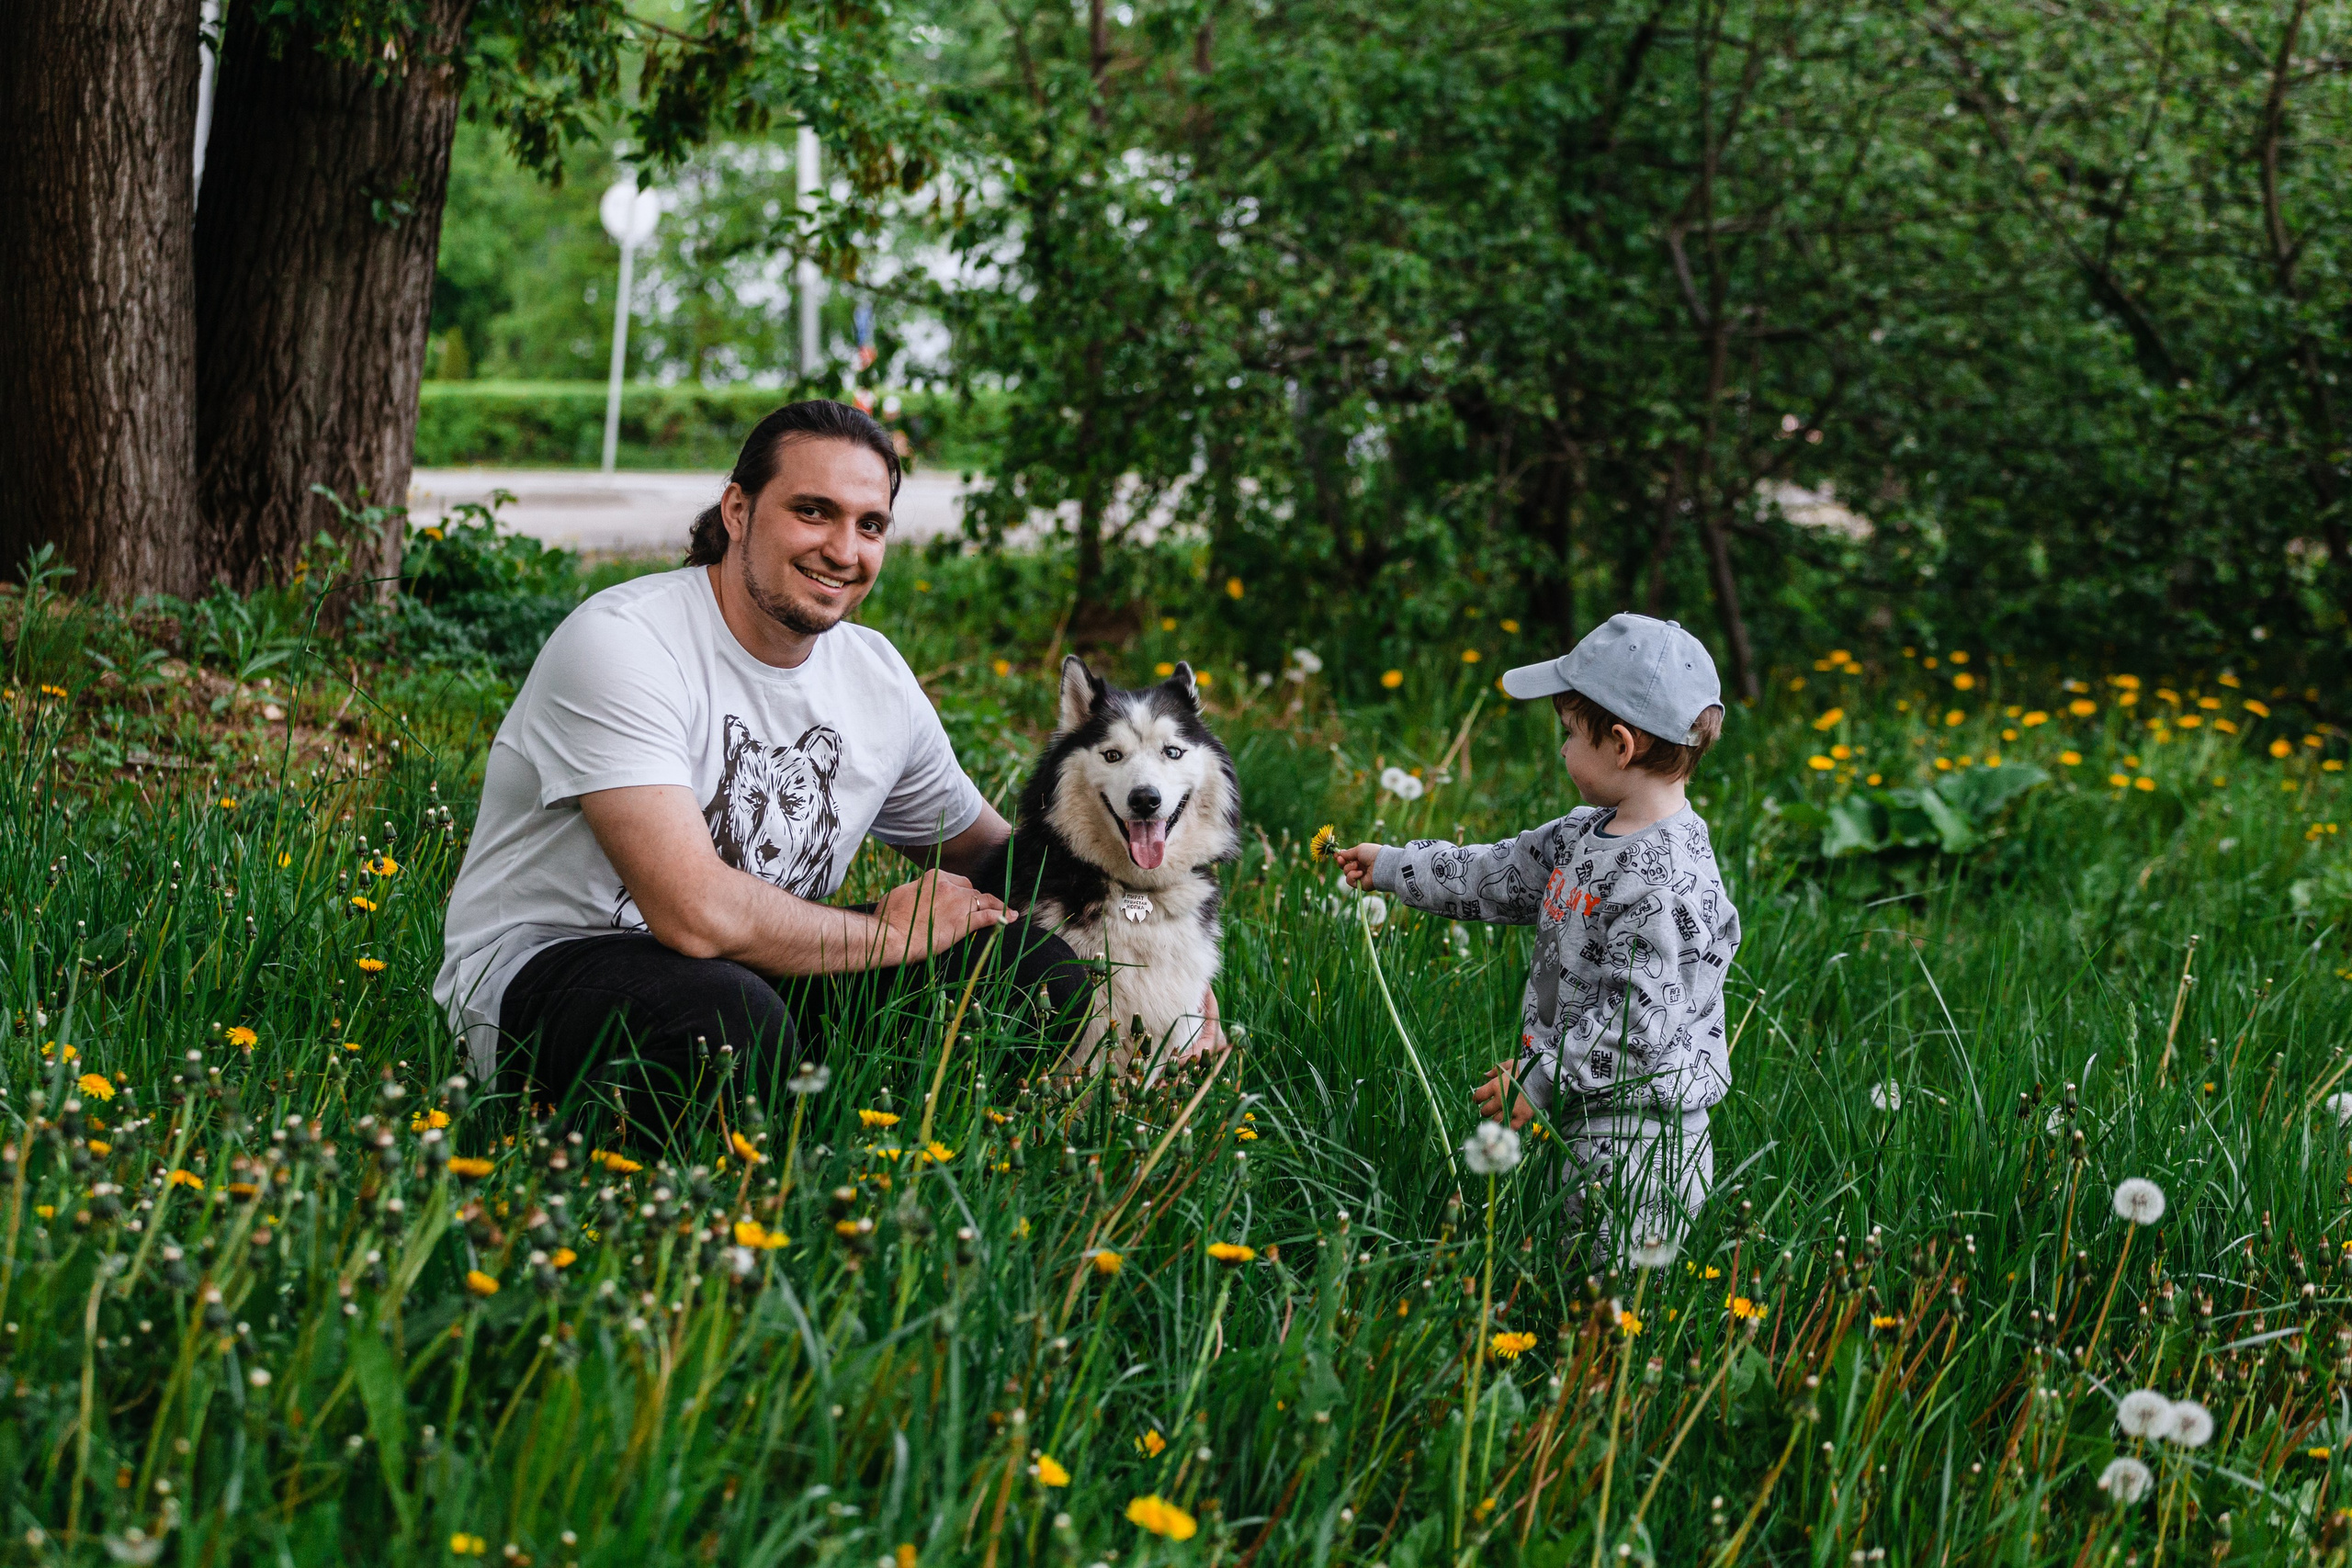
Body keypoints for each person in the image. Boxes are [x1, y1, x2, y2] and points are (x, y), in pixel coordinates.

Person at [434, 400, 1090, 1138]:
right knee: (724, 1023)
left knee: (1035, 972)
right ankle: (665, 1145)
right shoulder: (623, 644)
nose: (844, 550)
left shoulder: (874, 676)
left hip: (765, 970)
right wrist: (889, 936)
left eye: (870, 525)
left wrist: (1167, 953)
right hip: (554, 971)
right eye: (814, 512)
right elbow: (694, 912)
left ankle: (832, 1117)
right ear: (738, 510)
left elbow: (1005, 858)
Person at [1333, 613, 1741, 1259]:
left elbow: (1640, 1021)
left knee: (1615, 1302)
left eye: (1568, 734)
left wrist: (1544, 1073)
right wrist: (1390, 865)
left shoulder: (1666, 882)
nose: (1560, 750)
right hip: (1576, 1117)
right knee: (1563, 1285)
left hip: (1645, 1145)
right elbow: (1494, 874)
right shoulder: (1585, 833)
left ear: (1619, 744)